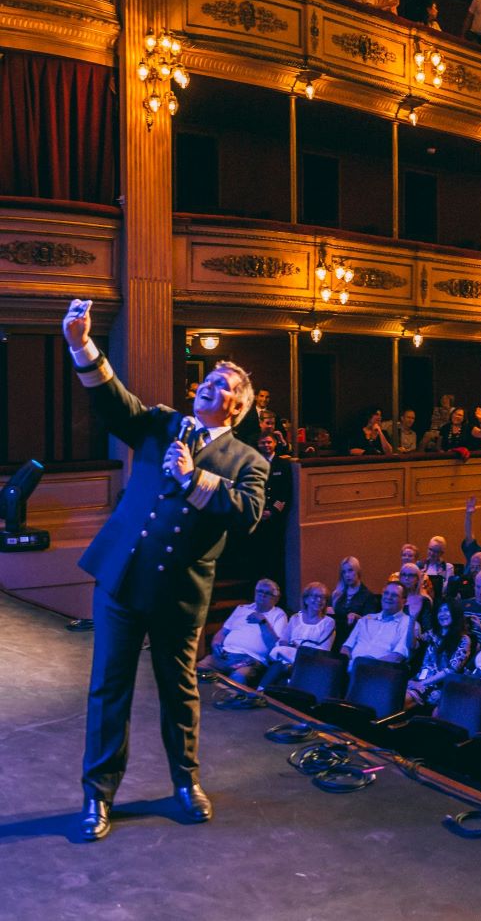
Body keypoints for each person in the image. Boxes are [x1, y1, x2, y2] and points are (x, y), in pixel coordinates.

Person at [62, 296, 268, 840]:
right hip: (122, 579)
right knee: (109, 689)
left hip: (180, 593)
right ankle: (98, 797)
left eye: (223, 382)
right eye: (209, 378)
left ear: (237, 409)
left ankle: (185, 783)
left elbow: (247, 514)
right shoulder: (161, 424)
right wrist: (82, 343)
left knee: (179, 691)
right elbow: (114, 404)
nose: (208, 383)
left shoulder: (250, 461)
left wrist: (195, 479)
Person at [198, 579, 286, 688]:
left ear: (276, 598)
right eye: (260, 591)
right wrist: (216, 643)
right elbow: (223, 632)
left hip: (251, 660)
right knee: (199, 668)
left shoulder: (278, 614)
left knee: (238, 678)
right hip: (225, 654)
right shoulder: (242, 609)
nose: (263, 595)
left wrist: (263, 622)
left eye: (268, 593)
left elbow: (275, 645)